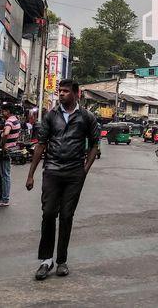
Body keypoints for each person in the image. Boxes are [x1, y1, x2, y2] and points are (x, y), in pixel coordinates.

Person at [26, 79, 100, 280]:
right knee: (48, 213)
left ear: (77, 93)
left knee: (67, 216)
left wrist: (84, 170)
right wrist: (31, 173)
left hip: (74, 173)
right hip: (52, 170)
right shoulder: (51, 116)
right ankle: (46, 260)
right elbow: (41, 144)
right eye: (61, 91)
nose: (62, 94)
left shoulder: (86, 117)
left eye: (66, 91)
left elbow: (95, 145)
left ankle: (61, 261)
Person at [0, 103, 21, 207]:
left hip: (6, 150)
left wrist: (2, 144)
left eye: (3, 111)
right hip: (10, 148)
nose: (2, 113)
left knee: (4, 175)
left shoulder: (9, 121)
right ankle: (1, 197)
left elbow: (6, 133)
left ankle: (4, 199)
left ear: (8, 111)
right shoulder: (16, 120)